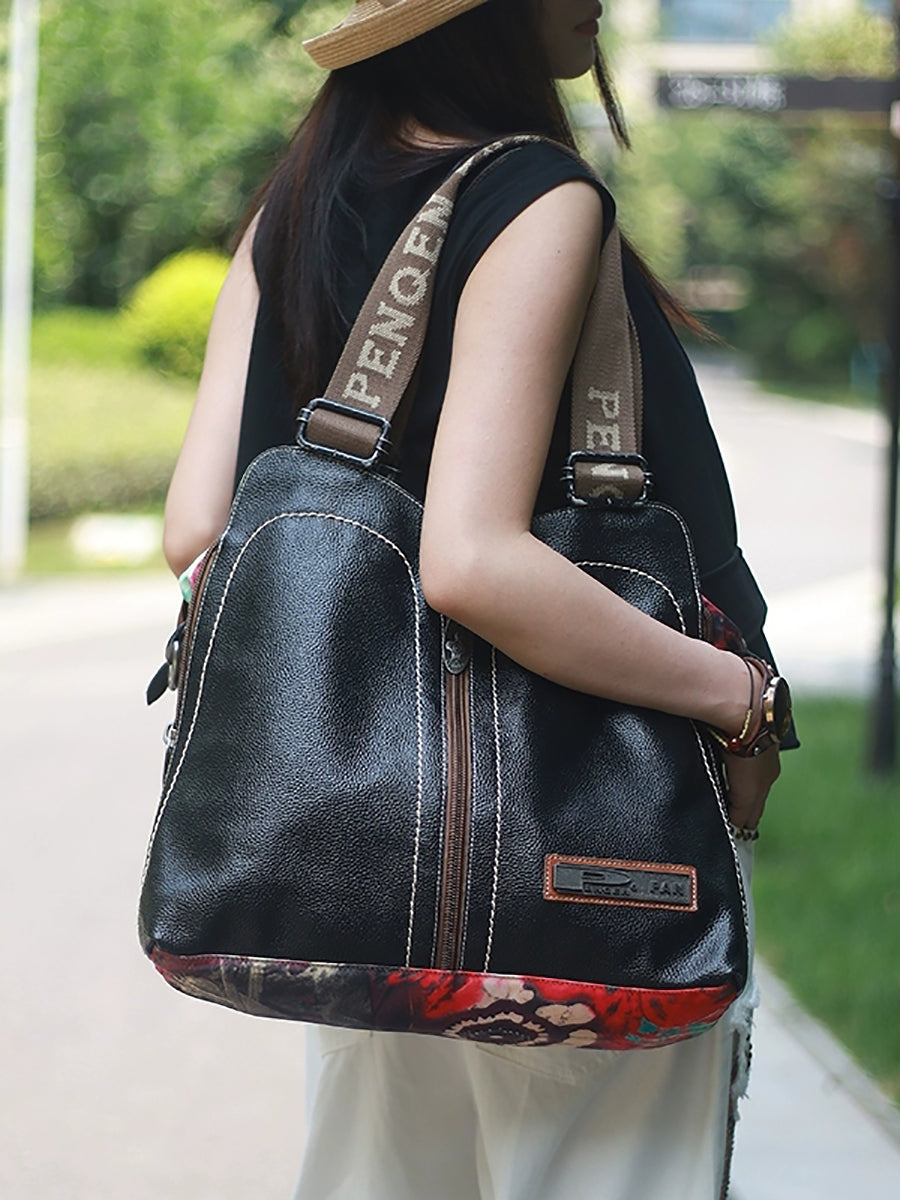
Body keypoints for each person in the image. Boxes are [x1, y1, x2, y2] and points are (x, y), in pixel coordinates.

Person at [162, 0, 794, 1195]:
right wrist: (740, 700)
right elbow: (472, 560)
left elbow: (199, 531)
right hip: (590, 855)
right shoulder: (535, 196)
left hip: (359, 867)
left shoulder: (286, 209)